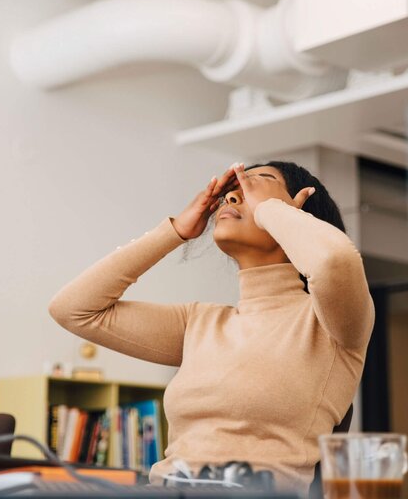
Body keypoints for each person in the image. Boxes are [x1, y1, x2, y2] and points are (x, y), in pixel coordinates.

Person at [48, 161, 375, 492]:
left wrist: (271, 211)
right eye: (232, 191)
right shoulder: (199, 322)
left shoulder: (331, 324)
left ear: (298, 210)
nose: (232, 197)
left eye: (256, 185)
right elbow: (74, 310)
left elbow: (334, 260)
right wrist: (174, 231)